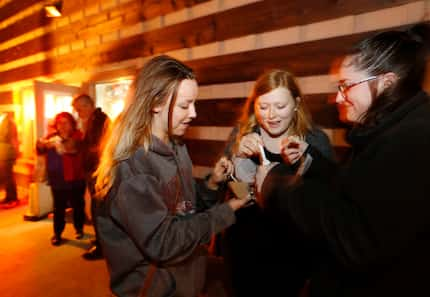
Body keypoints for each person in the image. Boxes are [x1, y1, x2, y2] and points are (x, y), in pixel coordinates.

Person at [257, 23, 430, 297]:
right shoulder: (386, 128)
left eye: (346, 86)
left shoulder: (415, 139)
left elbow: (355, 236)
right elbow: (359, 190)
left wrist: (278, 189)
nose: (338, 97)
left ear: (386, 82)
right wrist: (313, 162)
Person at [92, 55, 251, 297]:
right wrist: (225, 211)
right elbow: (164, 242)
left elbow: (182, 208)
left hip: (183, 280)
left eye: (194, 104)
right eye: (185, 105)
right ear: (156, 103)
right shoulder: (133, 167)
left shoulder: (176, 145)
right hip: (154, 289)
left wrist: (211, 184)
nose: (194, 113)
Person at [222, 69, 335, 297]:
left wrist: (307, 161)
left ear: (296, 104)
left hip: (293, 252)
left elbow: (329, 198)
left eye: (280, 106)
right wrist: (239, 160)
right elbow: (234, 197)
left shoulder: (313, 139)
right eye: (263, 107)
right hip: (246, 249)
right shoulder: (241, 135)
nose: (271, 115)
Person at [36, 112, 86, 246]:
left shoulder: (78, 135)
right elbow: (39, 150)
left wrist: (58, 143)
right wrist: (41, 144)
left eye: (66, 122)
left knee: (78, 205)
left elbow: (72, 148)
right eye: (59, 123)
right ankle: (57, 234)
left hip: (76, 178)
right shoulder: (51, 137)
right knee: (58, 208)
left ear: (72, 124)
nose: (62, 126)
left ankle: (79, 228)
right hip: (58, 179)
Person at [72, 93, 110, 259]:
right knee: (97, 208)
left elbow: (97, 148)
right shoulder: (94, 120)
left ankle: (102, 247)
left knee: (98, 209)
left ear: (88, 106)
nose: (78, 113)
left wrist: (76, 146)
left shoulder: (99, 121)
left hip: (97, 171)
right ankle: (101, 240)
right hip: (95, 170)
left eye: (79, 109)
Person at [0, 112, 19, 205]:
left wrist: (15, 153)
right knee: (6, 176)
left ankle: (13, 197)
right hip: (4, 152)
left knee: (8, 176)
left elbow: (11, 138)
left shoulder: (9, 122)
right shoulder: (4, 121)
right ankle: (9, 196)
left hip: (7, 153)